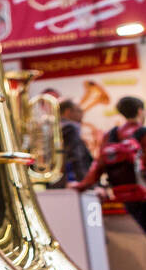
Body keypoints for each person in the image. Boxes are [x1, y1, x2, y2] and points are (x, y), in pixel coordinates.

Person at [74, 95, 146, 232]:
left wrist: (81, 185)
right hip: (143, 192)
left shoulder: (112, 134)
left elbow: (98, 164)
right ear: (140, 111)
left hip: (124, 194)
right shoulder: (142, 133)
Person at [58, 99, 93, 185]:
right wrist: (85, 182)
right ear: (68, 111)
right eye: (79, 110)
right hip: (73, 180)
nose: (82, 113)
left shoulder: (57, 126)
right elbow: (76, 157)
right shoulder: (70, 128)